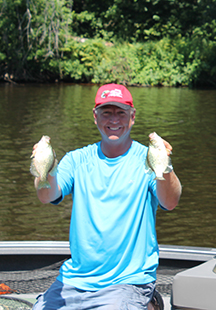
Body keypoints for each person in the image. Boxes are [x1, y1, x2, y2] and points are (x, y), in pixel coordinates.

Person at [32, 83, 182, 310]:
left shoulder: (147, 158)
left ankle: (148, 302)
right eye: (106, 112)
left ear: (132, 118)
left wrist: (166, 166)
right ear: (95, 117)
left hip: (127, 280)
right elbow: (46, 195)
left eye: (121, 113)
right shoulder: (76, 159)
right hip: (75, 279)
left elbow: (170, 202)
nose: (114, 120)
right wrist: (46, 166)